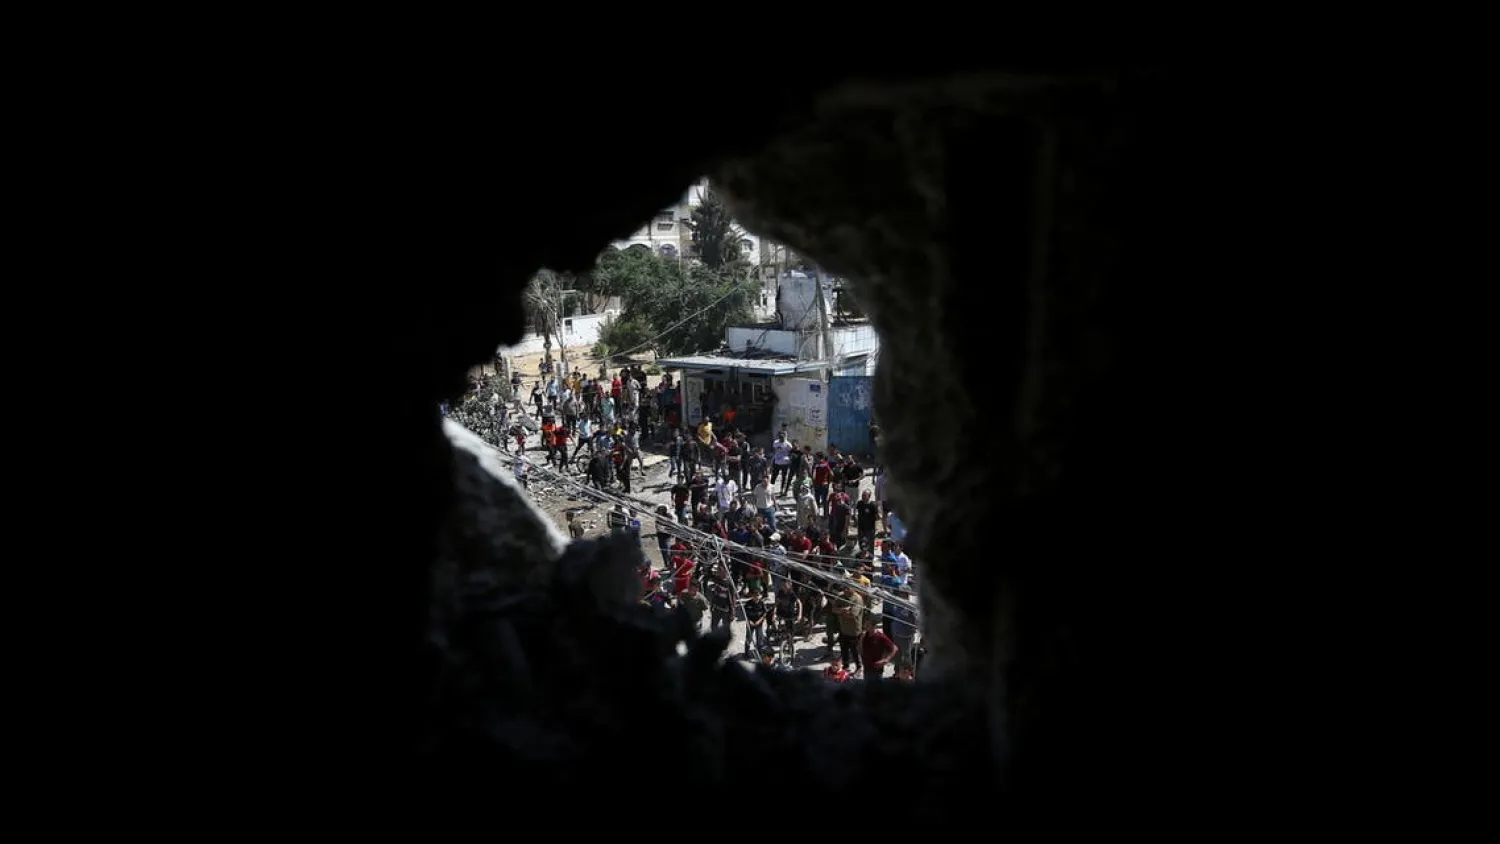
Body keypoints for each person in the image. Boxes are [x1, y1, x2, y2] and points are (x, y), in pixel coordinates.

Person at [858, 616, 899, 682]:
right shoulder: (864, 635)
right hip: (866, 667)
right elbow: (860, 651)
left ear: (874, 626)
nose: (865, 627)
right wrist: (861, 639)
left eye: (868, 625)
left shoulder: (880, 637)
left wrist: (887, 659)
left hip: (876, 669)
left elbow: (895, 648)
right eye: (865, 625)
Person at [742, 593, 769, 658]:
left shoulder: (762, 603)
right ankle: (746, 653)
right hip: (750, 623)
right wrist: (749, 621)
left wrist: (759, 621)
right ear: (752, 596)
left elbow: (765, 613)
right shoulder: (748, 603)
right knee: (748, 638)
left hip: (758, 624)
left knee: (759, 639)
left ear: (760, 596)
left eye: (758, 595)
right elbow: (744, 613)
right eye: (755, 595)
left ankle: (759, 653)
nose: (756, 597)